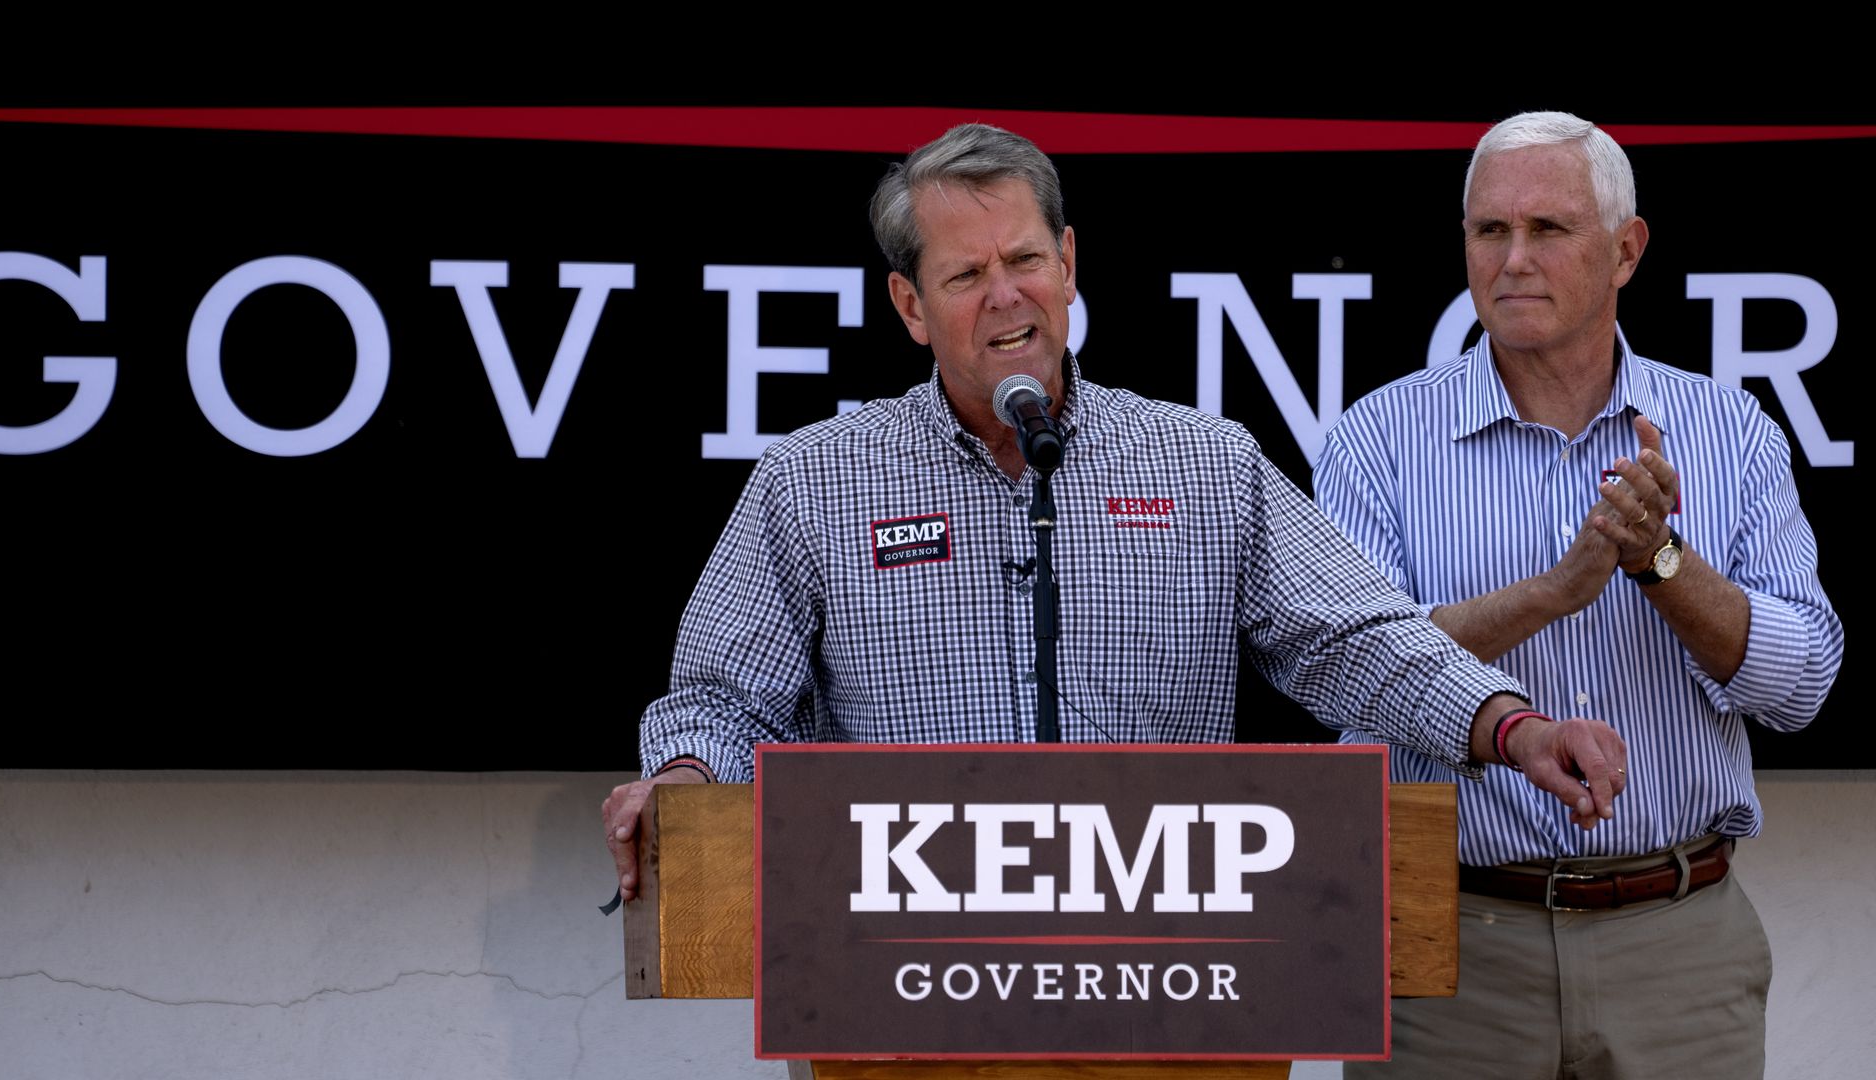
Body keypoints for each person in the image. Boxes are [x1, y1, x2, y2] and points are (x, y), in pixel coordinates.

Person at [606, 122, 1628, 906]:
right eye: (965, 276)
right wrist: (683, 780)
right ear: (911, 306)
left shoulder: (1204, 463)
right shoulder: (812, 480)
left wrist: (1511, 727)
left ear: (1070, 264)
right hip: (897, 967)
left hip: (1165, 974)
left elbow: (1358, 640)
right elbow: (721, 700)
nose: (1007, 297)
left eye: (1025, 260)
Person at [1315, 111, 1843, 1078]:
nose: (1513, 260)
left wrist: (1659, 565)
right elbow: (1359, 673)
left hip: (1679, 938)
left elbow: (1801, 684)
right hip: (1448, 938)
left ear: (1626, 250)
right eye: (1489, 232)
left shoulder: (1729, 431)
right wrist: (1555, 591)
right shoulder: (1378, 438)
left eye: (1548, 230)